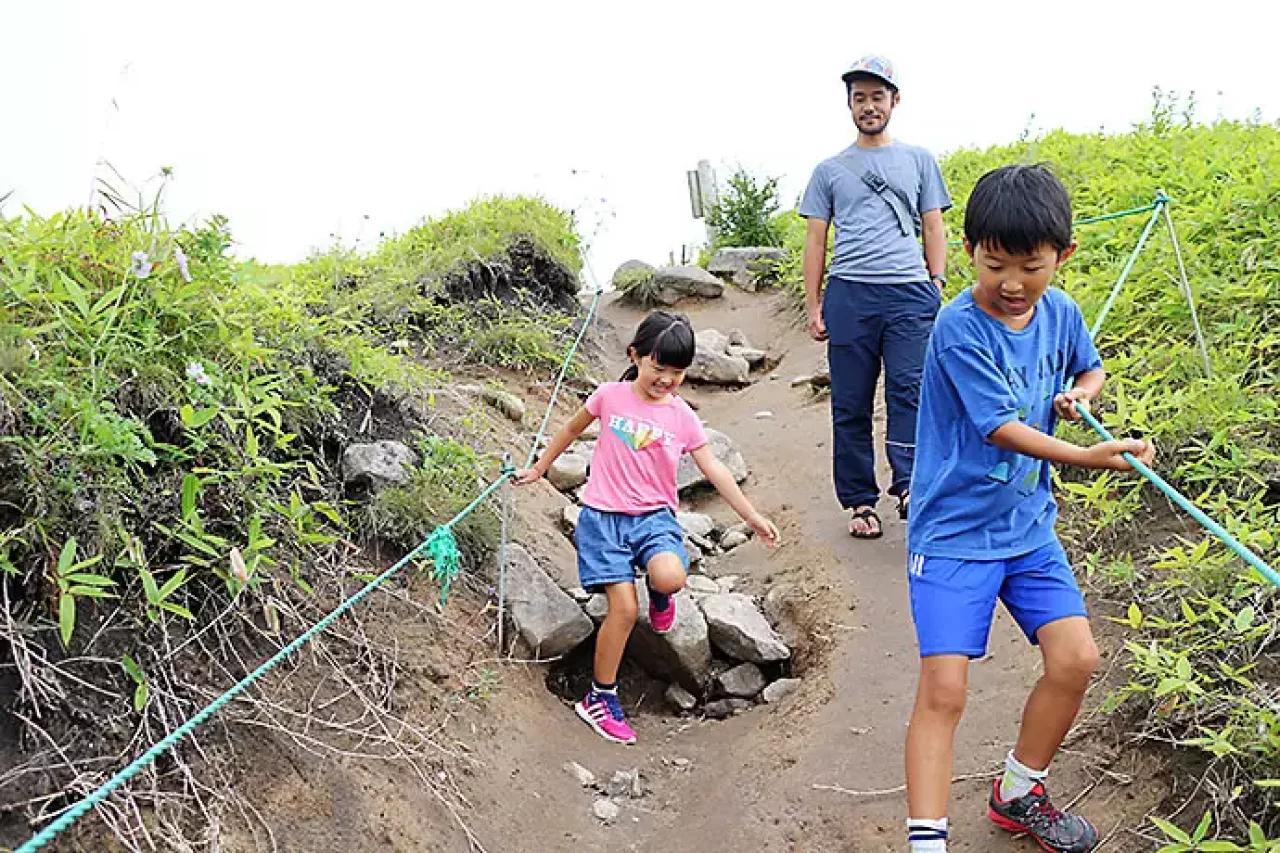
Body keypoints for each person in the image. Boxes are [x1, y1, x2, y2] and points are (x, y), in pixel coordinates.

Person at [902, 164, 1156, 852]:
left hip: (1026, 528)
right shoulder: (958, 328)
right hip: (953, 534)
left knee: (1075, 658)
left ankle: (1019, 791)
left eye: (1030, 266)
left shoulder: (1062, 311)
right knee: (946, 689)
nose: (1012, 283)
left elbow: (1089, 364)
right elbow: (1001, 428)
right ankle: (927, 843)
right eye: (995, 264)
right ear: (969, 249)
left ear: (1062, 256)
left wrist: (1084, 391)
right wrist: (1091, 455)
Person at [515, 310, 781, 745]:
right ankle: (600, 698)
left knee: (671, 576)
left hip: (655, 519)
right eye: (659, 367)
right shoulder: (609, 396)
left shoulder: (682, 417)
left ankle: (660, 593)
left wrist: (751, 516)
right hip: (603, 519)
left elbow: (713, 468)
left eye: (677, 372)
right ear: (635, 356)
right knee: (622, 609)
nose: (667, 379)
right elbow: (569, 429)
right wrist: (540, 468)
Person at [800, 54, 953, 540]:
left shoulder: (919, 160)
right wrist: (813, 303)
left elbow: (933, 223)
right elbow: (816, 240)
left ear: (895, 101)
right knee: (850, 402)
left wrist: (937, 281)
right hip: (850, 294)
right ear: (849, 104)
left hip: (910, 294)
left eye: (877, 96)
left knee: (911, 391)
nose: (869, 106)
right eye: (860, 97)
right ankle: (860, 501)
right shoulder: (829, 170)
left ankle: (911, 486)